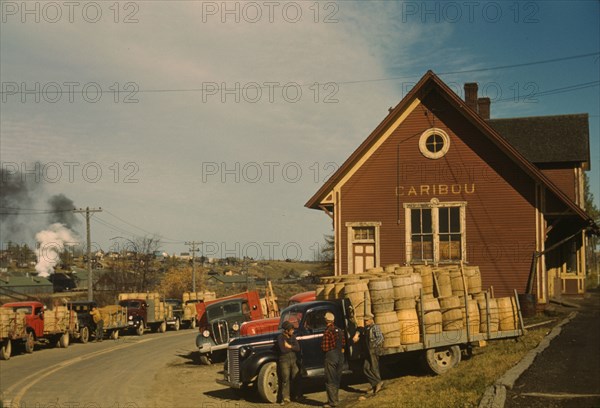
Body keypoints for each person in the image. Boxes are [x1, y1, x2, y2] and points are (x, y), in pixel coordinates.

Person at [353, 313, 384, 394]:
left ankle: (377, 385)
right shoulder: (367, 328)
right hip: (368, 351)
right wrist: (357, 335)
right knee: (366, 368)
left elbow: (380, 338)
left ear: (371, 320)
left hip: (373, 350)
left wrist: (374, 345)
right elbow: (360, 329)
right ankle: (376, 383)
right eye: (365, 320)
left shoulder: (375, 327)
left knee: (374, 368)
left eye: (366, 320)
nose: (365, 322)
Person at [321, 312, 346, 408]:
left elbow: (325, 347)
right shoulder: (339, 330)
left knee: (330, 379)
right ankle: (335, 399)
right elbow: (343, 343)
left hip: (331, 356)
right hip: (340, 355)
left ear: (326, 321)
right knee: (336, 378)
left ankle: (332, 402)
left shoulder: (327, 332)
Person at [277, 321, 301, 405]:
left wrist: (289, 346)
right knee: (285, 379)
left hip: (293, 359)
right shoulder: (280, 338)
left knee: (296, 377)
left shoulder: (293, 336)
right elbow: (283, 350)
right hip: (284, 360)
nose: (292, 331)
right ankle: (285, 398)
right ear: (286, 331)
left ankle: (297, 395)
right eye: (291, 330)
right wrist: (292, 347)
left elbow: (298, 348)